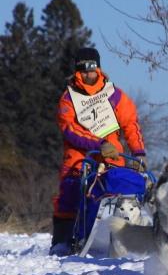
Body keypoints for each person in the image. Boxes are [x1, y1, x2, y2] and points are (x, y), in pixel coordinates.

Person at [50, 47, 146, 256]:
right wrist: (98, 144)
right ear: (77, 71)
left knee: (120, 188)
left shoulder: (114, 95)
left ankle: (125, 238)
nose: (88, 74)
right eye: (83, 69)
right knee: (70, 190)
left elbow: (130, 123)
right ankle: (63, 241)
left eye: (91, 68)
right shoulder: (69, 98)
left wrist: (138, 152)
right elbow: (69, 129)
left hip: (113, 154)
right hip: (79, 153)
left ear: (99, 68)